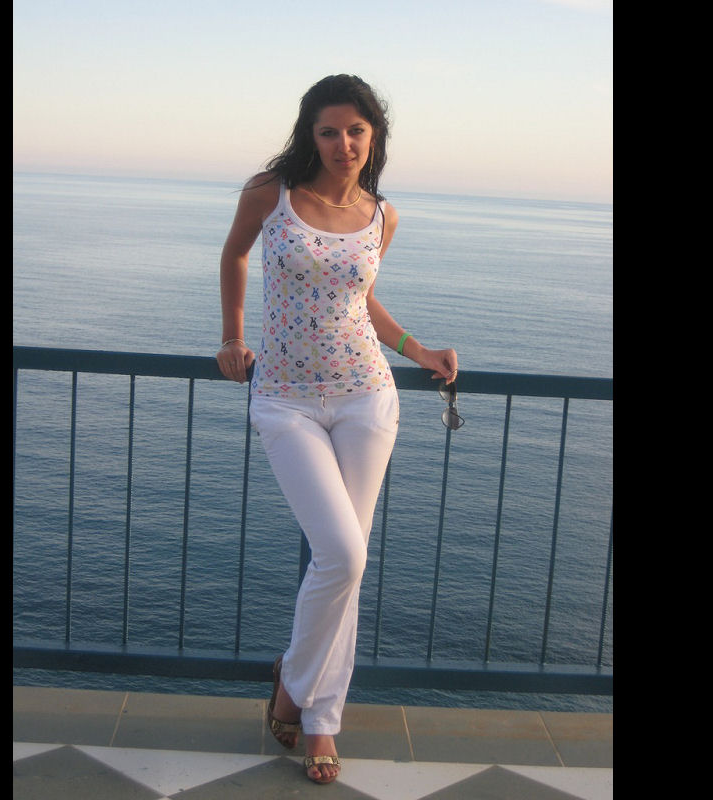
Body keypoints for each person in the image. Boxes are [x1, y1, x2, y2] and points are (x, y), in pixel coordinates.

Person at [216, 74, 458, 785]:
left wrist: (417, 349)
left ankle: (316, 712)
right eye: (329, 131)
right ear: (310, 135)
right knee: (344, 557)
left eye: (356, 131)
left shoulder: (382, 216)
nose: (343, 144)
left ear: (373, 137)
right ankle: (297, 685)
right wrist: (232, 338)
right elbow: (234, 255)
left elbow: (362, 300)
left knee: (344, 563)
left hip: (366, 398)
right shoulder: (271, 193)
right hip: (285, 399)